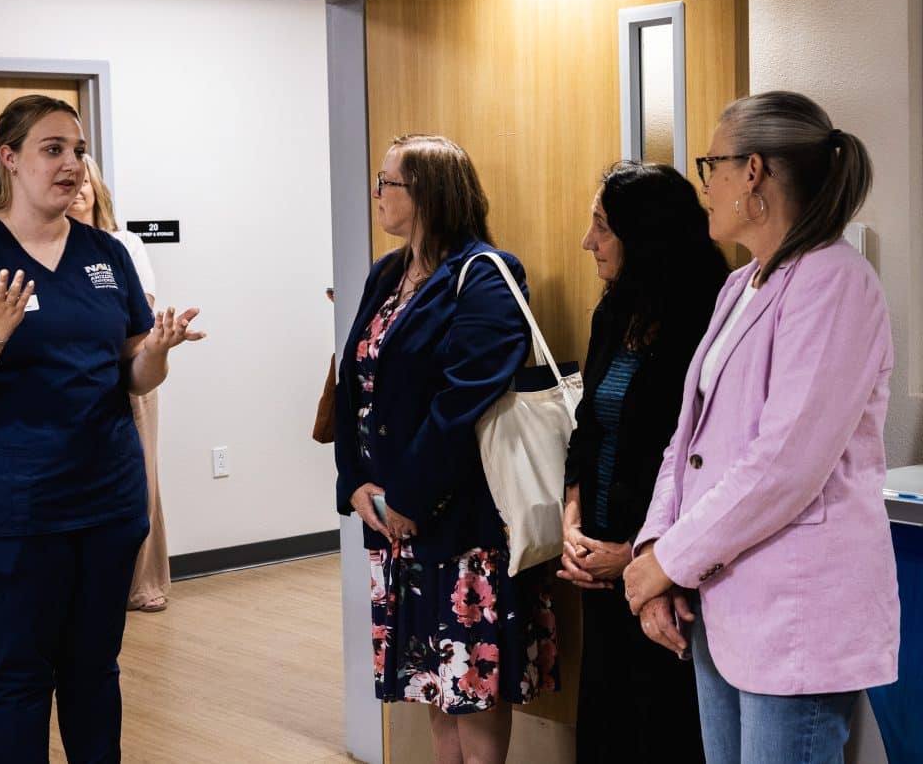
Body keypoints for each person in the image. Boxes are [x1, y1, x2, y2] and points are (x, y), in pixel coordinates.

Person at [0, 94, 204, 763]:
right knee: (20, 675)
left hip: (105, 501)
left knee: (94, 671)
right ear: (10, 159)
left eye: (78, 150)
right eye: (53, 149)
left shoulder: (107, 253)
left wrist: (154, 348)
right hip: (11, 509)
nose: (71, 163)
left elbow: (132, 371)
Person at [623, 91, 900, 764]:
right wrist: (656, 550)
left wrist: (669, 560)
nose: (704, 186)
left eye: (709, 165)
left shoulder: (835, 282)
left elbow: (784, 464)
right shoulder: (740, 283)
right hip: (723, 595)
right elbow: (688, 444)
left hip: (794, 611)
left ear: (752, 173)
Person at [334, 134, 557, 764]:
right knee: (432, 684)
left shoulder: (485, 274)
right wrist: (355, 480)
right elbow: (354, 384)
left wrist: (409, 495)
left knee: (471, 686)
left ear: (427, 193)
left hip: (460, 522)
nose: (377, 194)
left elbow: (464, 400)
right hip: (393, 520)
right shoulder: (387, 273)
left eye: (388, 183)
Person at [558, 161, 728, 763]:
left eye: (601, 226)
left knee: (663, 732)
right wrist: (572, 521)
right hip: (600, 565)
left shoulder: (708, 321)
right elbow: (588, 428)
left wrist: (632, 554)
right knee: (604, 730)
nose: (588, 242)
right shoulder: (614, 312)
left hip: (670, 573)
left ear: (644, 234)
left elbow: (699, 462)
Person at [67, 153, 171, 613]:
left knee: (140, 477)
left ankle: (141, 581)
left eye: (85, 180)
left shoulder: (122, 243)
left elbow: (138, 312)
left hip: (130, 371)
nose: (78, 188)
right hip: (78, 379)